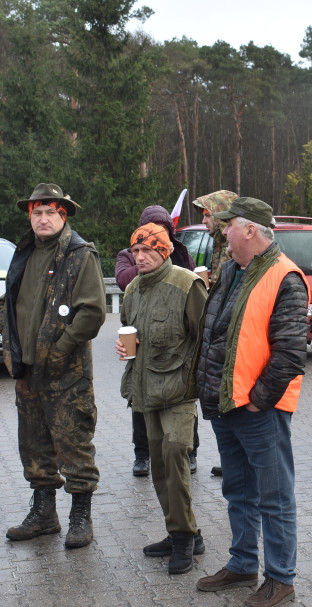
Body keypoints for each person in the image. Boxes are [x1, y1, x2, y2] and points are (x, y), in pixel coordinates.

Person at [193, 196, 307, 607]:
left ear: (251, 231)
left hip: (259, 409)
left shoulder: (285, 277)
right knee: (238, 489)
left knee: (275, 496)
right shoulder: (232, 271)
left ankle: (281, 578)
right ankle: (243, 563)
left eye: (228, 227)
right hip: (227, 404)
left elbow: (291, 352)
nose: (222, 232)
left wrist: (259, 400)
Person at [2, 183, 105, 550]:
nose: (42, 219)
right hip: (28, 371)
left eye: (51, 212)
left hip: (66, 373)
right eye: (36, 212)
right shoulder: (24, 252)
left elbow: (92, 312)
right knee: (34, 445)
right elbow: (11, 305)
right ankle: (44, 513)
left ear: (64, 216)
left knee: (73, 443)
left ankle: (81, 515)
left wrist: (60, 351)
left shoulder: (79, 255)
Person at [117, 223, 208, 573]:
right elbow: (131, 336)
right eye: (135, 251)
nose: (139, 257)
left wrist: (203, 387)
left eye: (147, 251)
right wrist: (126, 348)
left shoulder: (187, 284)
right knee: (158, 467)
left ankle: (185, 540)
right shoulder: (133, 291)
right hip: (146, 390)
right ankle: (180, 532)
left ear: (164, 251)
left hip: (179, 391)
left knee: (175, 458)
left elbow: (206, 338)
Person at [114, 205, 197, 478]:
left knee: (177, 443)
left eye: (162, 229)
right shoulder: (131, 272)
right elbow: (125, 286)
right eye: (136, 251)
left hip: (176, 372)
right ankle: (142, 455)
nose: (139, 256)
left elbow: (200, 330)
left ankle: (191, 451)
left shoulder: (181, 261)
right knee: (141, 410)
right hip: (143, 366)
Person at [190, 189, 237, 478]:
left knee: (231, 403)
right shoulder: (216, 244)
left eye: (208, 214)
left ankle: (236, 462)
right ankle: (230, 459)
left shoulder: (232, 246)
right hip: (217, 334)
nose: (204, 220)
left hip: (231, 336)